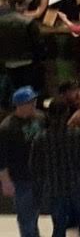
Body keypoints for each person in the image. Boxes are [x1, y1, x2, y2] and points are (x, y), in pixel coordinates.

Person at [31, 99, 80, 237]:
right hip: (78, 184)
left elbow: (35, 166)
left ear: (48, 114)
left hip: (55, 187)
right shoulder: (77, 134)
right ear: (67, 113)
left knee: (59, 226)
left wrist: (41, 184)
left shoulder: (40, 138)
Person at [0, 86, 44, 237]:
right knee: (26, 217)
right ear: (20, 105)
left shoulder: (40, 118)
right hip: (21, 179)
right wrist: (5, 181)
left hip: (39, 176)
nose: (34, 104)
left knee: (35, 213)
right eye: (31, 102)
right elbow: (2, 158)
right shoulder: (6, 128)